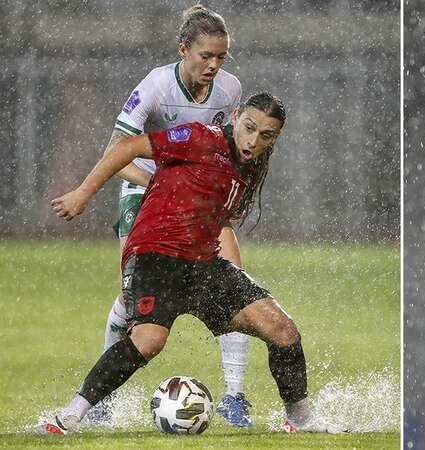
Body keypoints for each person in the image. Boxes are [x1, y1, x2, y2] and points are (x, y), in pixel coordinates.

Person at [41, 92, 335, 435]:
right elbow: (128, 147)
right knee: (149, 341)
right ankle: (70, 415)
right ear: (236, 115)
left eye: (266, 135)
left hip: (204, 265)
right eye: (249, 127)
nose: (253, 140)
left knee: (283, 332)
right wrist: (82, 194)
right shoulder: (200, 137)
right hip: (155, 256)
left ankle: (301, 420)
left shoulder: (252, 165)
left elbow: (225, 208)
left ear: (275, 138)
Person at [92, 4, 255, 427]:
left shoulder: (230, 90)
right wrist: (162, 188)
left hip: (201, 201)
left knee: (235, 283)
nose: (214, 65)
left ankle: (235, 398)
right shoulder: (156, 86)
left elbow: (231, 152)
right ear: (183, 49)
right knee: (134, 305)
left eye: (221, 57)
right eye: (206, 56)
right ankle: (102, 402)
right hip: (145, 194)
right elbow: (116, 152)